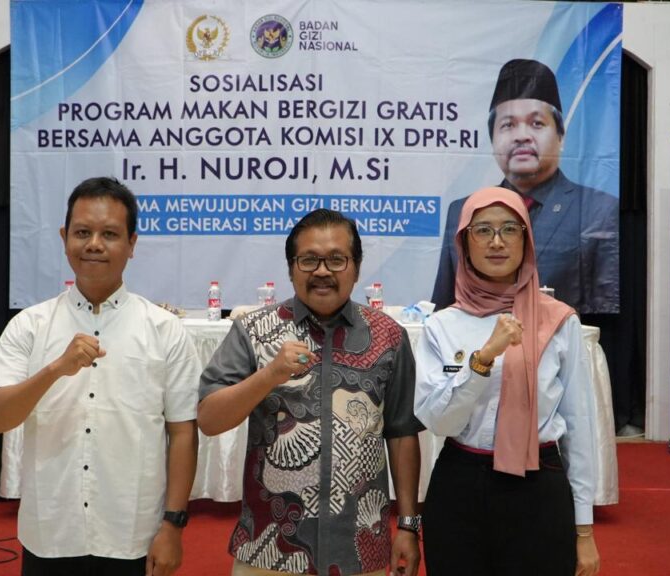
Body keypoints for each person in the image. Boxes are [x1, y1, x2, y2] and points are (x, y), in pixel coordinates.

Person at [0, 176, 200, 576]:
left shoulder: (164, 330)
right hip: (50, 530)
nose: (94, 244)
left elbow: (182, 432)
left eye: (110, 234)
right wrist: (54, 370)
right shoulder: (30, 326)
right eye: (82, 232)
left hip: (133, 531)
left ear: (132, 244)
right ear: (64, 238)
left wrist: (173, 525)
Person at [197, 209, 423, 576]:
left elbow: (402, 434)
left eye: (336, 259)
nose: (322, 271)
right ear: (291, 269)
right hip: (270, 551)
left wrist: (409, 526)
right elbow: (209, 419)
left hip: (360, 550)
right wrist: (269, 375)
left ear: (357, 267)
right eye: (308, 260)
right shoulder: (253, 331)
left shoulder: (389, 337)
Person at [415, 186, 600, 575]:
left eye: (510, 229)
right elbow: (440, 422)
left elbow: (580, 428)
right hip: (460, 484)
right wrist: (483, 359)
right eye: (483, 230)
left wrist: (584, 531)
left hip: (539, 485)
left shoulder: (559, 320)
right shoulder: (441, 326)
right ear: (464, 243)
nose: (496, 242)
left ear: (526, 241)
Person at [433, 58, 619, 314]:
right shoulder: (462, 211)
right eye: (508, 125)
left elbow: (603, 309)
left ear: (561, 137)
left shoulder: (597, 209)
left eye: (537, 123)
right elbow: (445, 305)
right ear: (493, 140)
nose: (521, 136)